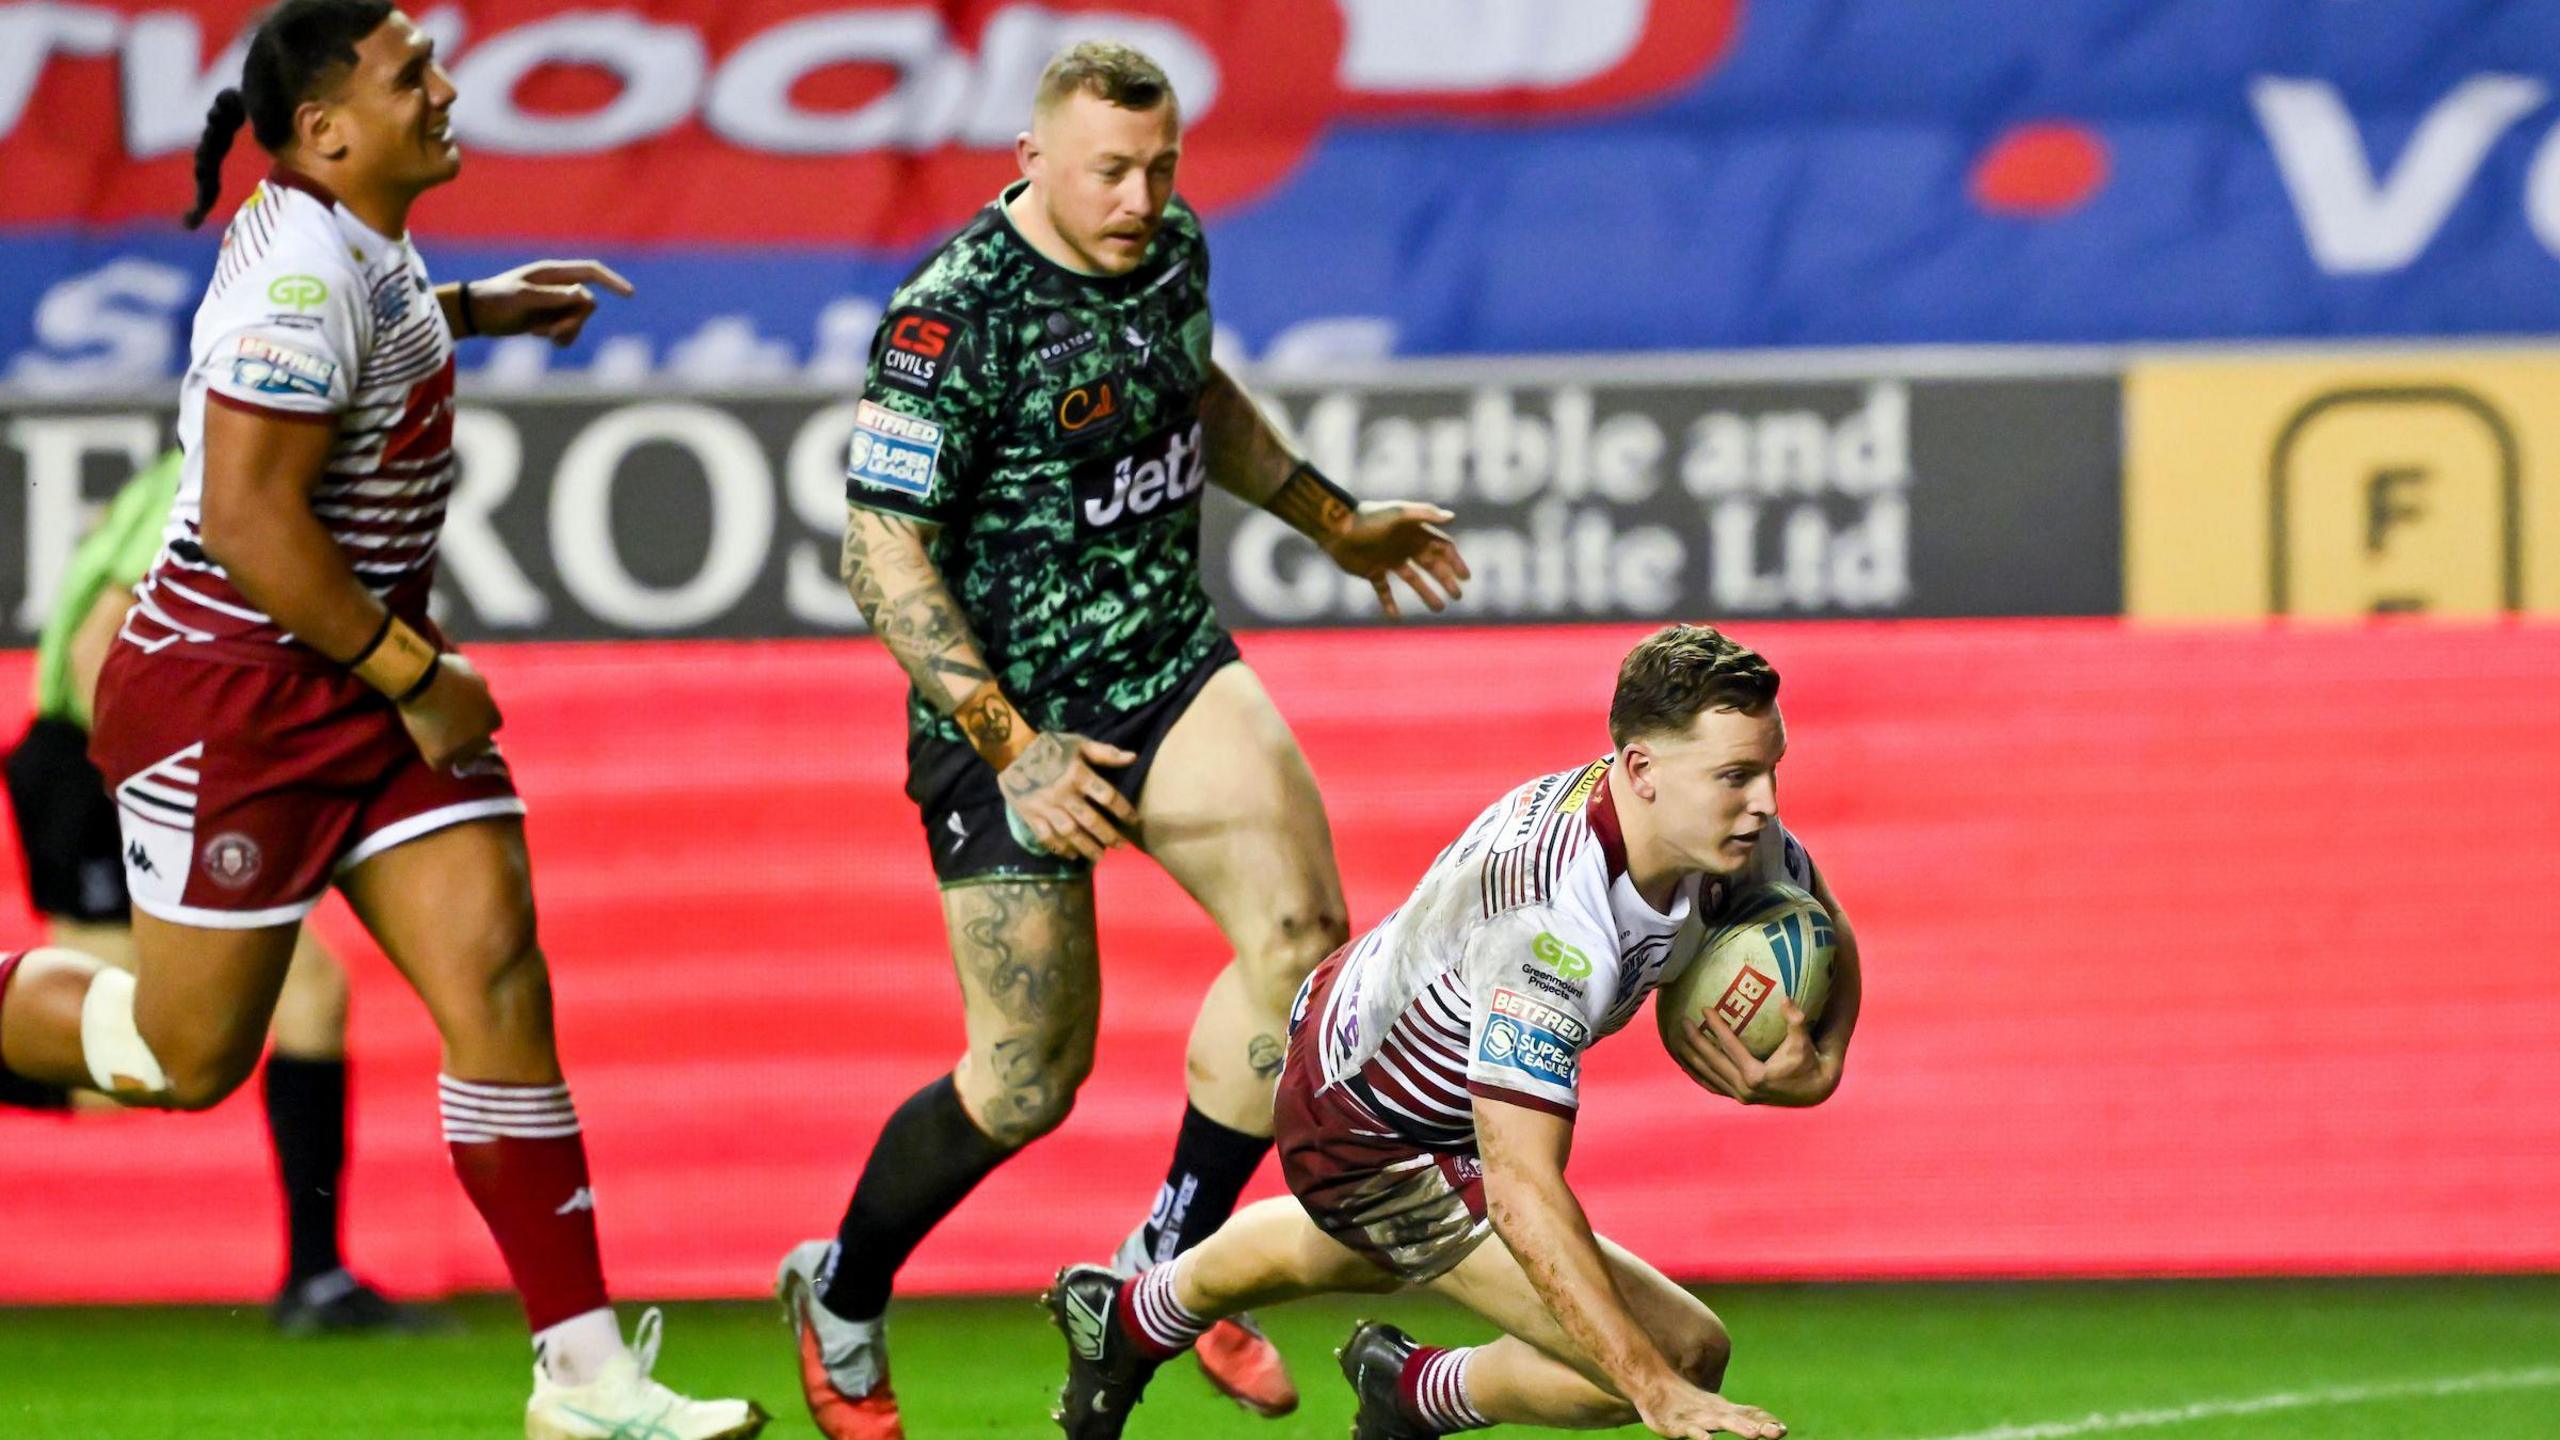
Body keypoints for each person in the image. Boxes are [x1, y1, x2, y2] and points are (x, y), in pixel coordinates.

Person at [0, 5, 762, 1435]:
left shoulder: (357, 237)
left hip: (351, 689)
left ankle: (588, 1382)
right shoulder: (297, 279)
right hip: (234, 704)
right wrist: (415, 672)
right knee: (184, 1059)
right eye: (412, 74)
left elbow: (367, 331)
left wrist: (476, 308)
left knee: (498, 980)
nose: (448, 87)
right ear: (326, 131)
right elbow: (248, 522)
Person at [775, 39, 1471, 1440]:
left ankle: (1163, 1272)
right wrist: (1010, 744)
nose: (1141, 198)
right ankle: (841, 1289)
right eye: (1109, 171)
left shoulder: (1170, 248)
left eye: (1161, 167)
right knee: (1026, 1081)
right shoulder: (951, 318)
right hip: (1007, 717)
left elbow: (1193, 397)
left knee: (1303, 944)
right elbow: (879, 547)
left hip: (1166, 663)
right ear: (1031, 159)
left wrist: (1333, 520)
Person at [1041, 624, 1864, 1440]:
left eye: (1771, 769)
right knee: (1682, 1354)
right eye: (1736, 777)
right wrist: (1657, 1391)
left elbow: (1822, 917)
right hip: (1371, 1128)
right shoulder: (1550, 922)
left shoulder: (1723, 832)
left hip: (1379, 1038)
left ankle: (1131, 1316)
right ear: (1642, 770)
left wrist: (1824, 1063)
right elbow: (1521, 1192)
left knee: (1354, 1249)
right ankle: (1415, 1392)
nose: (1767, 803)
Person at [1, 452, 438, 1335]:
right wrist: (170, 805)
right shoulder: (216, 482)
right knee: (141, 1053)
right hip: (107, 773)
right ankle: (315, 1279)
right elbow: (97, 652)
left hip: (141, 774)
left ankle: (316, 1279)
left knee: (306, 998)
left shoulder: (248, 477)